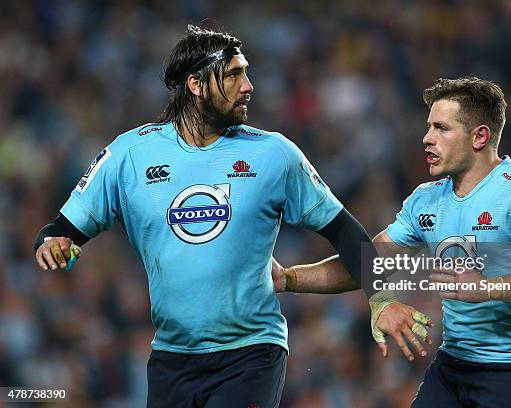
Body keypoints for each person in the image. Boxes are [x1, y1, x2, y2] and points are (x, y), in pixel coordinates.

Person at [33, 24, 431, 407]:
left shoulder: (274, 154)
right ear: (196, 84)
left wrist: (383, 299)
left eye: (247, 74)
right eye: (234, 75)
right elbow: (62, 231)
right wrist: (54, 246)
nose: (248, 86)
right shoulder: (129, 155)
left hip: (250, 354)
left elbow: (346, 231)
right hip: (172, 358)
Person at [273, 76, 511, 407]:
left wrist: (489, 288)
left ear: (479, 136)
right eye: (429, 127)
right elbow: (368, 264)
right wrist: (291, 278)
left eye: (441, 128)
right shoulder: (425, 201)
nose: (426, 138)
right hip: (453, 366)